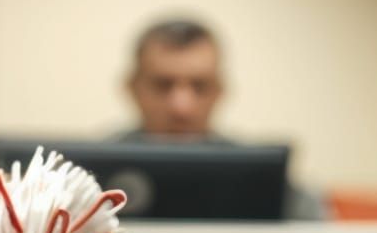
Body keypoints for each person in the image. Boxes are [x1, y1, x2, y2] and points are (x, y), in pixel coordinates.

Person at [121, 17, 324, 218]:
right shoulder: (89, 180)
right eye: (162, 85)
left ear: (220, 90)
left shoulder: (264, 178)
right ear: (132, 88)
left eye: (200, 86)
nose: (182, 107)